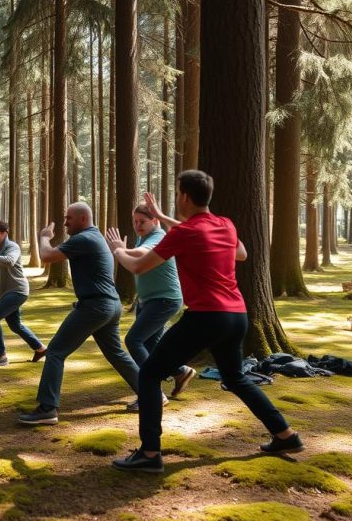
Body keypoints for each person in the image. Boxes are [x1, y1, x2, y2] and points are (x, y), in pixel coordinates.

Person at [109, 171, 302, 474]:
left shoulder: (183, 234)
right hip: (237, 316)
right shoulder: (225, 224)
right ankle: (285, 435)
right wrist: (163, 217)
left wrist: (118, 250)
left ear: (184, 197)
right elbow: (241, 253)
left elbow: (137, 265)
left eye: (177, 195)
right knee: (236, 378)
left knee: (148, 375)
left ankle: (149, 453)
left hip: (206, 317)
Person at [18, 202, 142, 425]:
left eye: (68, 219)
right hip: (109, 305)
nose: (65, 223)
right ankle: (151, 394)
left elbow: (46, 256)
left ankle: (47, 408)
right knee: (116, 354)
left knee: (55, 351)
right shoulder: (93, 237)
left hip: (96, 306)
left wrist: (45, 236)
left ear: (83, 219)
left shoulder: (84, 238)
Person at [106, 205, 196, 410]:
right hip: (148, 301)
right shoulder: (144, 237)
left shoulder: (159, 236)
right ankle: (180, 371)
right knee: (151, 347)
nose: (138, 225)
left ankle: (151, 393)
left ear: (155, 220)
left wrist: (120, 249)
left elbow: (140, 254)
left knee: (134, 340)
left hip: (164, 300)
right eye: (135, 222)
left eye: (142, 221)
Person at [0, 220, 46, 367]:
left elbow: (9, 261)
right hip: (8, 293)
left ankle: (1, 356)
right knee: (15, 325)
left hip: (18, 290)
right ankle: (40, 348)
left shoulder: (12, 247)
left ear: (4, 233)